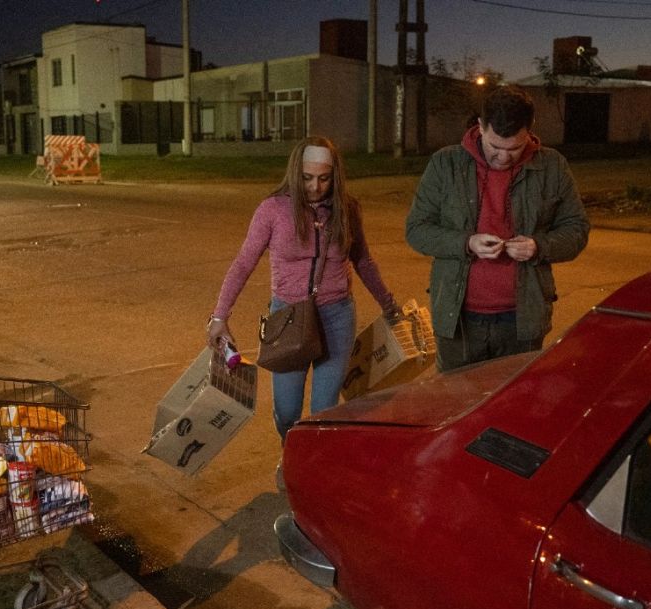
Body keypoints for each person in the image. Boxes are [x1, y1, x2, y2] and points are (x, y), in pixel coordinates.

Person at [207, 136, 400, 441]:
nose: (315, 186)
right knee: (287, 411)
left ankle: (306, 465)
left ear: (334, 176)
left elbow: (363, 261)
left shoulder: (346, 209)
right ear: (296, 173)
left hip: (336, 317)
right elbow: (244, 262)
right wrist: (219, 315)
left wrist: (389, 305)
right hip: (288, 317)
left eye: (324, 179)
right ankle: (290, 448)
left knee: (324, 411)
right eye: (307, 178)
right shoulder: (273, 210)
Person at [405, 85, 589, 371]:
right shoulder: (446, 163)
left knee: (513, 405)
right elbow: (417, 229)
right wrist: (466, 243)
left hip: (522, 318)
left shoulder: (552, 166)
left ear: (530, 130)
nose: (503, 157)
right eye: (495, 147)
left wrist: (538, 246)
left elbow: (576, 230)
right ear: (480, 126)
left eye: (515, 148)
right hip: (458, 319)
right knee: (456, 405)